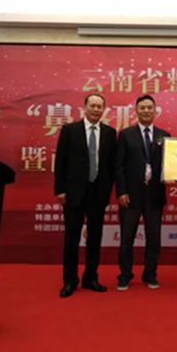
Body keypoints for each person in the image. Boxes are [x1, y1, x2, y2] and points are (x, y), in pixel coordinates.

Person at [54, 93, 117, 298]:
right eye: (93, 106)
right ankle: (70, 280)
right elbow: (61, 161)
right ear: (85, 107)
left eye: (100, 106)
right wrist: (60, 189)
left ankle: (91, 278)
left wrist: (108, 192)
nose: (96, 110)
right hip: (74, 193)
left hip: (98, 193)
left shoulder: (110, 133)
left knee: (95, 238)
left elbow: (111, 166)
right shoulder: (70, 130)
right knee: (71, 239)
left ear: (103, 109)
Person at [115, 95, 171, 291]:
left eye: (149, 108)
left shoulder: (164, 136)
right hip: (130, 196)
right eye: (142, 108)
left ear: (155, 111)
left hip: (154, 195)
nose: (146, 111)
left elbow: (170, 163)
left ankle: (150, 275)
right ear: (136, 111)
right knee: (127, 238)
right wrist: (121, 191)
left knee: (153, 238)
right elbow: (119, 167)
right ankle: (125, 275)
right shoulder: (126, 134)